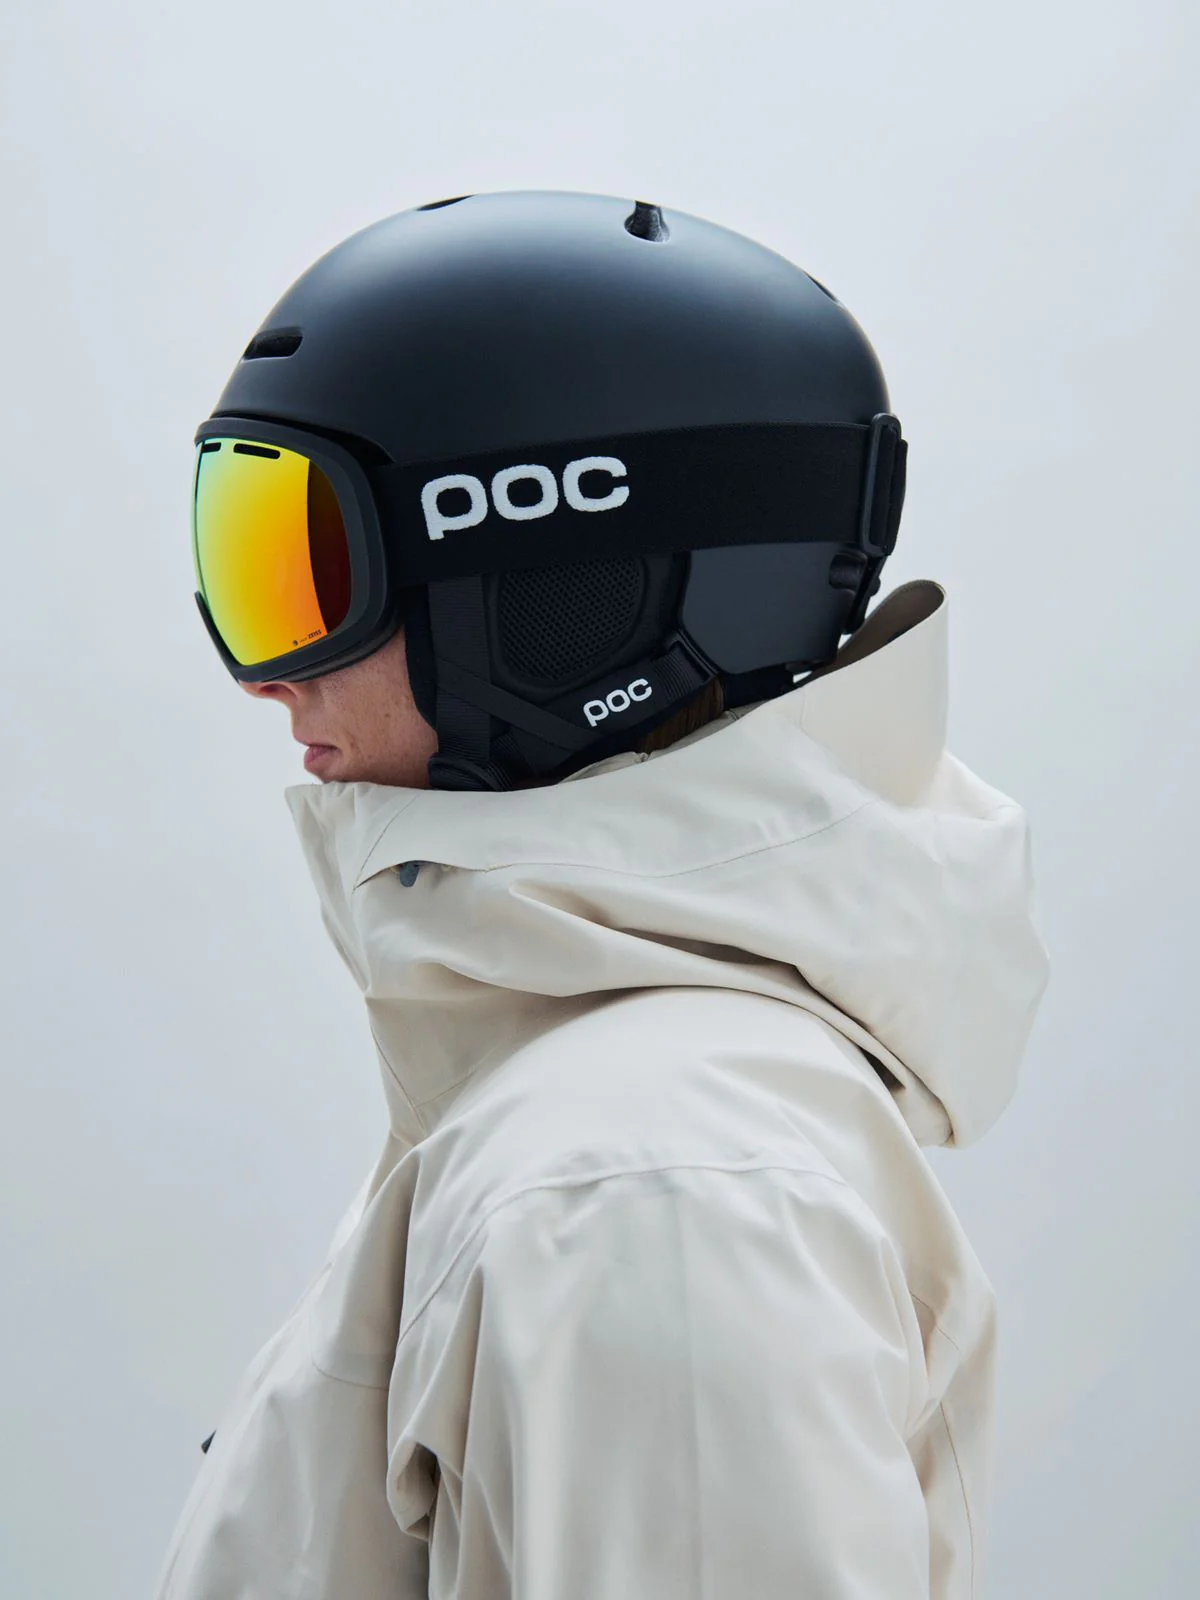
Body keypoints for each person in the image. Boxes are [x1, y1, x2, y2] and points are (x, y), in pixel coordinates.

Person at [153, 191, 1051, 1599]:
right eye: (247, 563)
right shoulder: (591, 1126)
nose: (272, 680)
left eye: (314, 574)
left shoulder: (648, 1189)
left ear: (560, 599)